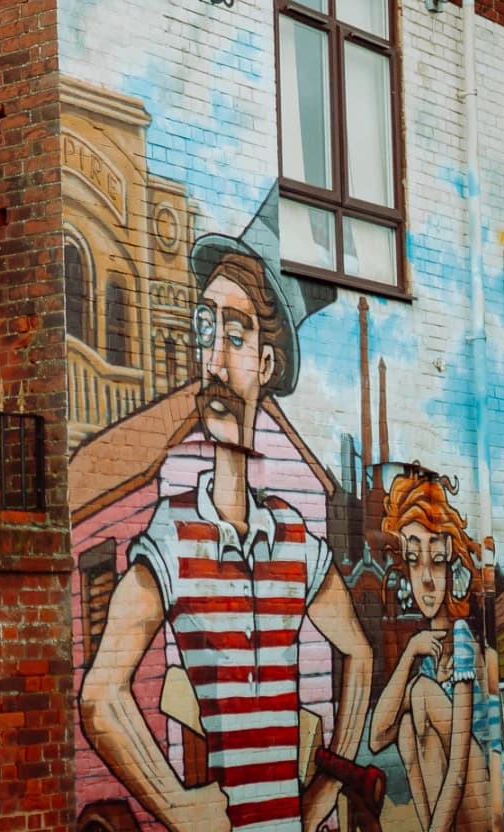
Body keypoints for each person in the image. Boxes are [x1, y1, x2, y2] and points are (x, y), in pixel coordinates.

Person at [78, 190, 370, 832]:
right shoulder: (175, 534)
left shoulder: (297, 543)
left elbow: (360, 654)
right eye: (204, 332)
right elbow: (101, 694)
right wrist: (174, 803)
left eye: (233, 337)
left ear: (265, 364)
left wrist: (321, 796)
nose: (211, 361)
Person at [370, 472, 504, 832]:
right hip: (458, 811)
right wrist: (409, 652)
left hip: (494, 807)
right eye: (414, 560)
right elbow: (377, 737)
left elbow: (459, 766)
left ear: (452, 562)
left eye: (436, 561)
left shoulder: (464, 637)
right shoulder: (425, 656)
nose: (425, 578)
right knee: (405, 727)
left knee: (422, 695)